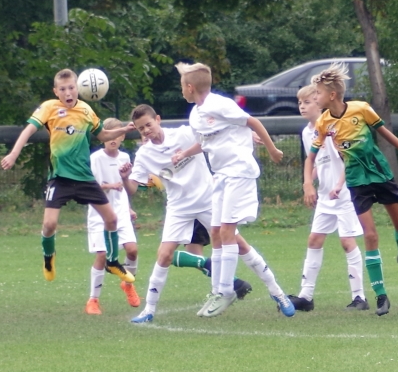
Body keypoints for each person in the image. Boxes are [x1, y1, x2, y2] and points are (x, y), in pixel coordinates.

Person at [124, 104, 290, 323]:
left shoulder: (183, 133)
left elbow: (216, 136)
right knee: (164, 255)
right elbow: (133, 188)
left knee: (239, 245)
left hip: (208, 200)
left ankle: (278, 293)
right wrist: (126, 178)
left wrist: (246, 134)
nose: (146, 130)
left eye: (148, 124)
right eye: (141, 128)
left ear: (158, 119)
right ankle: (148, 310)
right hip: (178, 207)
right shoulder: (144, 154)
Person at [171, 62, 294, 318]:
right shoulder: (196, 114)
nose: (181, 89)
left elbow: (252, 122)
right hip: (221, 177)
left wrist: (271, 149)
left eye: (182, 85)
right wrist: (185, 153)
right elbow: (206, 142)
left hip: (240, 172)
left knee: (226, 231)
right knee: (217, 233)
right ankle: (250, 290)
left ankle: (226, 291)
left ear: (190, 87)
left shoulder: (219, 104)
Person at [0, 68, 135, 285]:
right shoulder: (49, 108)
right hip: (60, 178)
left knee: (111, 219)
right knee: (49, 225)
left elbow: (102, 134)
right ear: (56, 92)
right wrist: (14, 153)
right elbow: (28, 130)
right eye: (62, 89)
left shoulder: (85, 110)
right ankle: (48, 257)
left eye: (71, 87)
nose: (68, 92)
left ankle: (112, 261)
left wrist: (123, 130)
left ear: (78, 89)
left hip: (84, 177)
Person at [307, 62, 398, 316]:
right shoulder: (324, 123)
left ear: (332, 95)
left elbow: (383, 132)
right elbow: (311, 157)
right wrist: (307, 182)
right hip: (357, 182)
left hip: (380, 174)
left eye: (319, 94)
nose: (315, 98)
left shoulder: (361, 109)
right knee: (370, 235)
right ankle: (381, 296)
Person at [289, 84, 367, 312]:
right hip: (325, 196)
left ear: (320, 102)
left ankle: (359, 297)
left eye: (308, 102)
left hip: (344, 194)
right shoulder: (307, 132)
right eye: (300, 103)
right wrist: (308, 184)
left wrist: (339, 185)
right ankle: (306, 296)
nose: (302, 106)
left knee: (347, 241)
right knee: (314, 240)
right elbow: (315, 162)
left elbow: (349, 158)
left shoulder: (333, 127)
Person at [84, 118, 140, 315]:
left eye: (117, 134)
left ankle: (127, 284)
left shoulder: (124, 158)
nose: (113, 139)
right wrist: (109, 186)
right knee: (102, 255)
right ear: (103, 137)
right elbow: (87, 187)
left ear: (122, 136)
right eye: (109, 134)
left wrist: (129, 208)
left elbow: (125, 188)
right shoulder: (95, 159)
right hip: (100, 213)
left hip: (121, 213)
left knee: (132, 250)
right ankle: (93, 300)